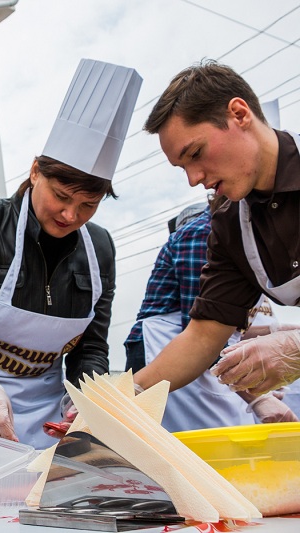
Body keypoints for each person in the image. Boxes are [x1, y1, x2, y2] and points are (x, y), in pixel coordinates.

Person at [0, 59, 142, 449]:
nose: (71, 215)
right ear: (36, 171)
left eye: (89, 205)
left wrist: (85, 399)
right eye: (62, 197)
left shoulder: (99, 248)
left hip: (50, 419)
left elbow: (90, 348)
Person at [134, 59, 300, 397]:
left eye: (195, 153)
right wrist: (124, 396)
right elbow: (203, 336)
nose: (194, 179)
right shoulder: (230, 225)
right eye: (182, 167)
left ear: (239, 114)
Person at [126, 199, 296, 431]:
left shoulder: (249, 242)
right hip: (170, 360)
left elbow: (229, 330)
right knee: (197, 450)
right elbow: (203, 335)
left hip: (214, 360)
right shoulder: (203, 234)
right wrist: (257, 398)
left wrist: (283, 335)